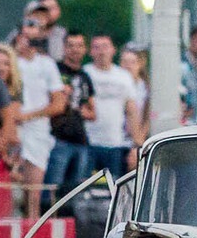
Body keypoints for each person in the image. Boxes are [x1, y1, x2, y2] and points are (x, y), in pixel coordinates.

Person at [13, 15, 66, 218]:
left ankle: (31, 236)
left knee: (33, 193)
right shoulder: (9, 62)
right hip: (12, 129)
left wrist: (28, 115)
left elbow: (58, 103)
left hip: (37, 130)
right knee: (9, 187)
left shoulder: (46, 64)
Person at [43, 31, 96, 204]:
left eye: (79, 45)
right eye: (71, 45)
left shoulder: (85, 76)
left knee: (78, 194)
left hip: (80, 140)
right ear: (64, 48)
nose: (75, 49)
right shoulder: (54, 70)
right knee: (51, 191)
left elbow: (93, 112)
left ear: (85, 49)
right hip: (57, 137)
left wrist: (80, 110)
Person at [84, 34, 139, 177]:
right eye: (96, 47)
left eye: (105, 47)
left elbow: (132, 111)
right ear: (90, 51)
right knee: (84, 188)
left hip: (115, 143)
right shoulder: (85, 73)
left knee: (114, 187)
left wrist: (136, 145)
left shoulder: (123, 77)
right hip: (87, 142)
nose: (101, 52)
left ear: (113, 50)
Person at [119, 45, 150, 165]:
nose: (128, 66)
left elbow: (147, 116)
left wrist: (139, 142)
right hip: (118, 139)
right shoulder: (116, 84)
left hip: (136, 140)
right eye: (124, 62)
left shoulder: (145, 88)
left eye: (132, 62)